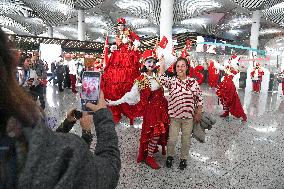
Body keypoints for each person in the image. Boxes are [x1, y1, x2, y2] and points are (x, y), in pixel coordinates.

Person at [0, 28, 120, 189]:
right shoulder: (20, 138)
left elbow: (46, 145)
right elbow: (108, 172)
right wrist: (100, 118)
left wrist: (65, 125)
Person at [107, 49, 170, 169]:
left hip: (162, 109)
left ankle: (151, 151)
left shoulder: (157, 77)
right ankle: (149, 157)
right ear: (144, 64)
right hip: (151, 111)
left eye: (153, 61)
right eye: (149, 61)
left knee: (160, 132)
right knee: (155, 133)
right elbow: (130, 95)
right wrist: (115, 102)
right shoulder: (141, 80)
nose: (151, 64)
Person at [159, 57, 203, 170]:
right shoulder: (172, 81)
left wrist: (199, 111)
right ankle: (170, 156)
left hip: (188, 118)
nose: (180, 68)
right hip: (174, 117)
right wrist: (162, 64)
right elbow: (161, 79)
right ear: (175, 69)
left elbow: (199, 97)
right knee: (172, 139)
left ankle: (183, 158)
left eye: (183, 66)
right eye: (178, 66)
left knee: (186, 140)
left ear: (187, 67)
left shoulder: (193, 82)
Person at [102, 17, 141, 125]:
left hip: (127, 57)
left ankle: (129, 112)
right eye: (119, 25)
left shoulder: (129, 33)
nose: (120, 26)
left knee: (128, 79)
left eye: (122, 25)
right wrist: (113, 48)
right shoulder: (118, 35)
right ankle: (116, 111)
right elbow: (118, 46)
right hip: (118, 56)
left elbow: (137, 39)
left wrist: (134, 46)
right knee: (114, 80)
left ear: (124, 25)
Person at [216, 55, 247, 122]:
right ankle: (226, 112)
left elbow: (235, 81)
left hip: (231, 88)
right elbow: (222, 68)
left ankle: (243, 115)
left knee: (234, 101)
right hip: (225, 87)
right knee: (225, 100)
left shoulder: (236, 72)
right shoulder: (228, 68)